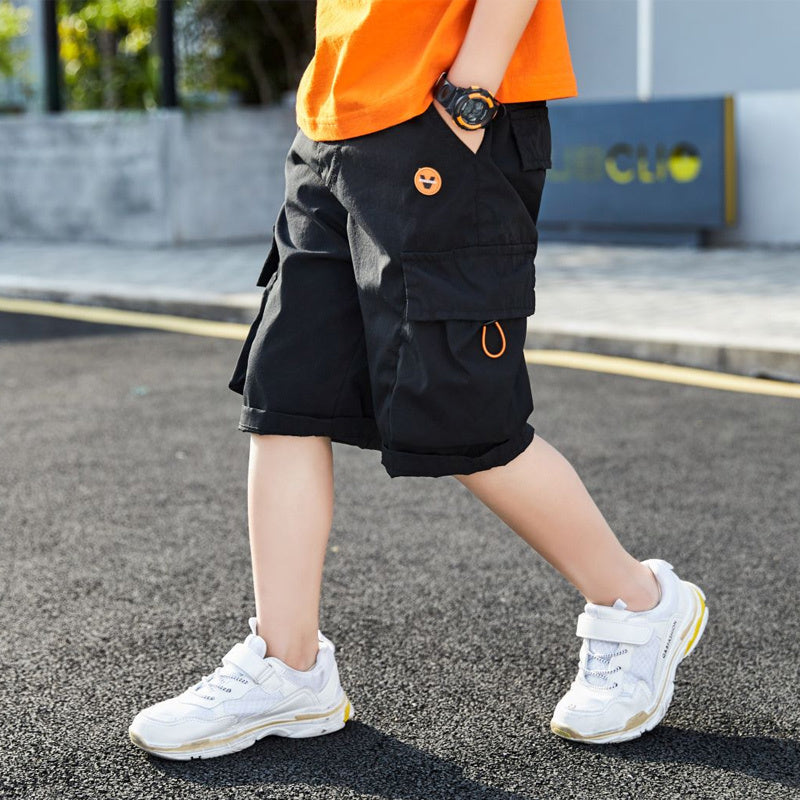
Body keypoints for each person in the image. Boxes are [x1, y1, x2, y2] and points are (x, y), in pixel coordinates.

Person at [129, 0, 708, 759]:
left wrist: (468, 100)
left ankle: (640, 603)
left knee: (462, 417)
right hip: (332, 123)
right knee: (286, 400)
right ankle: (288, 666)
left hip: (444, 114)